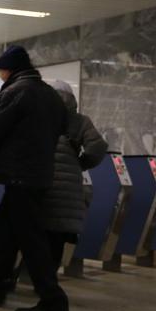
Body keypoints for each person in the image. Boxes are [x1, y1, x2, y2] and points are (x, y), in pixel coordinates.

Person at [0, 45, 69, 311]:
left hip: (21, 176)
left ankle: (54, 301)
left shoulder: (17, 92)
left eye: (2, 71)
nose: (1, 76)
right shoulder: (50, 95)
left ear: (9, 69)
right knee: (4, 230)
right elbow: (61, 129)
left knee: (30, 239)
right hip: (38, 175)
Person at [42, 80, 108, 267]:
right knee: (58, 237)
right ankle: (50, 279)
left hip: (43, 181)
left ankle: (31, 276)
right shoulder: (80, 121)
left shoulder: (39, 117)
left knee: (37, 233)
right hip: (69, 188)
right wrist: (80, 164)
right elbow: (98, 146)